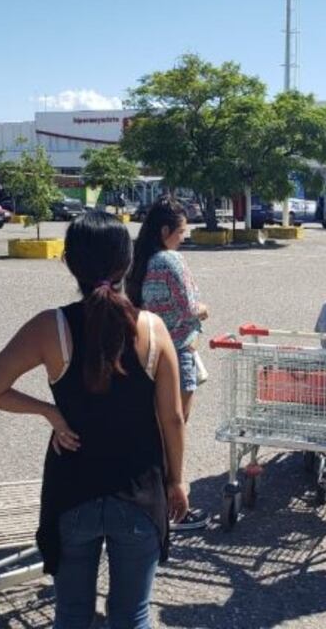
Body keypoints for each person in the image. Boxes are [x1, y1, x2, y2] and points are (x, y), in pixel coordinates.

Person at [0, 211, 187, 629]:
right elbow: (173, 417)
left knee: (71, 615)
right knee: (132, 616)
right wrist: (177, 480)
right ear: (126, 264)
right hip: (141, 494)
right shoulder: (154, 329)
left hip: (72, 493)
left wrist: (49, 412)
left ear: (69, 263)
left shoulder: (49, 327)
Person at [125, 201, 211, 532]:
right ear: (165, 232)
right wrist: (205, 309)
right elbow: (190, 308)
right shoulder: (171, 260)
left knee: (154, 428)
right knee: (174, 427)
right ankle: (172, 504)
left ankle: (147, 497)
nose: (183, 238)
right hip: (178, 350)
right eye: (181, 231)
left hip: (147, 350)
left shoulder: (138, 260)